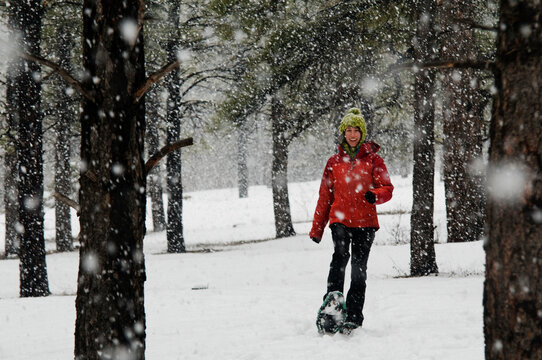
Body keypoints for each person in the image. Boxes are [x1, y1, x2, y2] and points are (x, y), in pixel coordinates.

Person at [310, 107, 393, 330]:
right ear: (343, 133)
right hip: (340, 220)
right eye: (348, 130)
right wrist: (317, 229)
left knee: (359, 270)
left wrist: (374, 195)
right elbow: (325, 197)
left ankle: (354, 316)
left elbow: (387, 188)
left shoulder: (374, 160)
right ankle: (332, 307)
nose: (353, 134)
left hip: (366, 223)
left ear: (362, 133)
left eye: (357, 130)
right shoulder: (333, 162)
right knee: (340, 256)